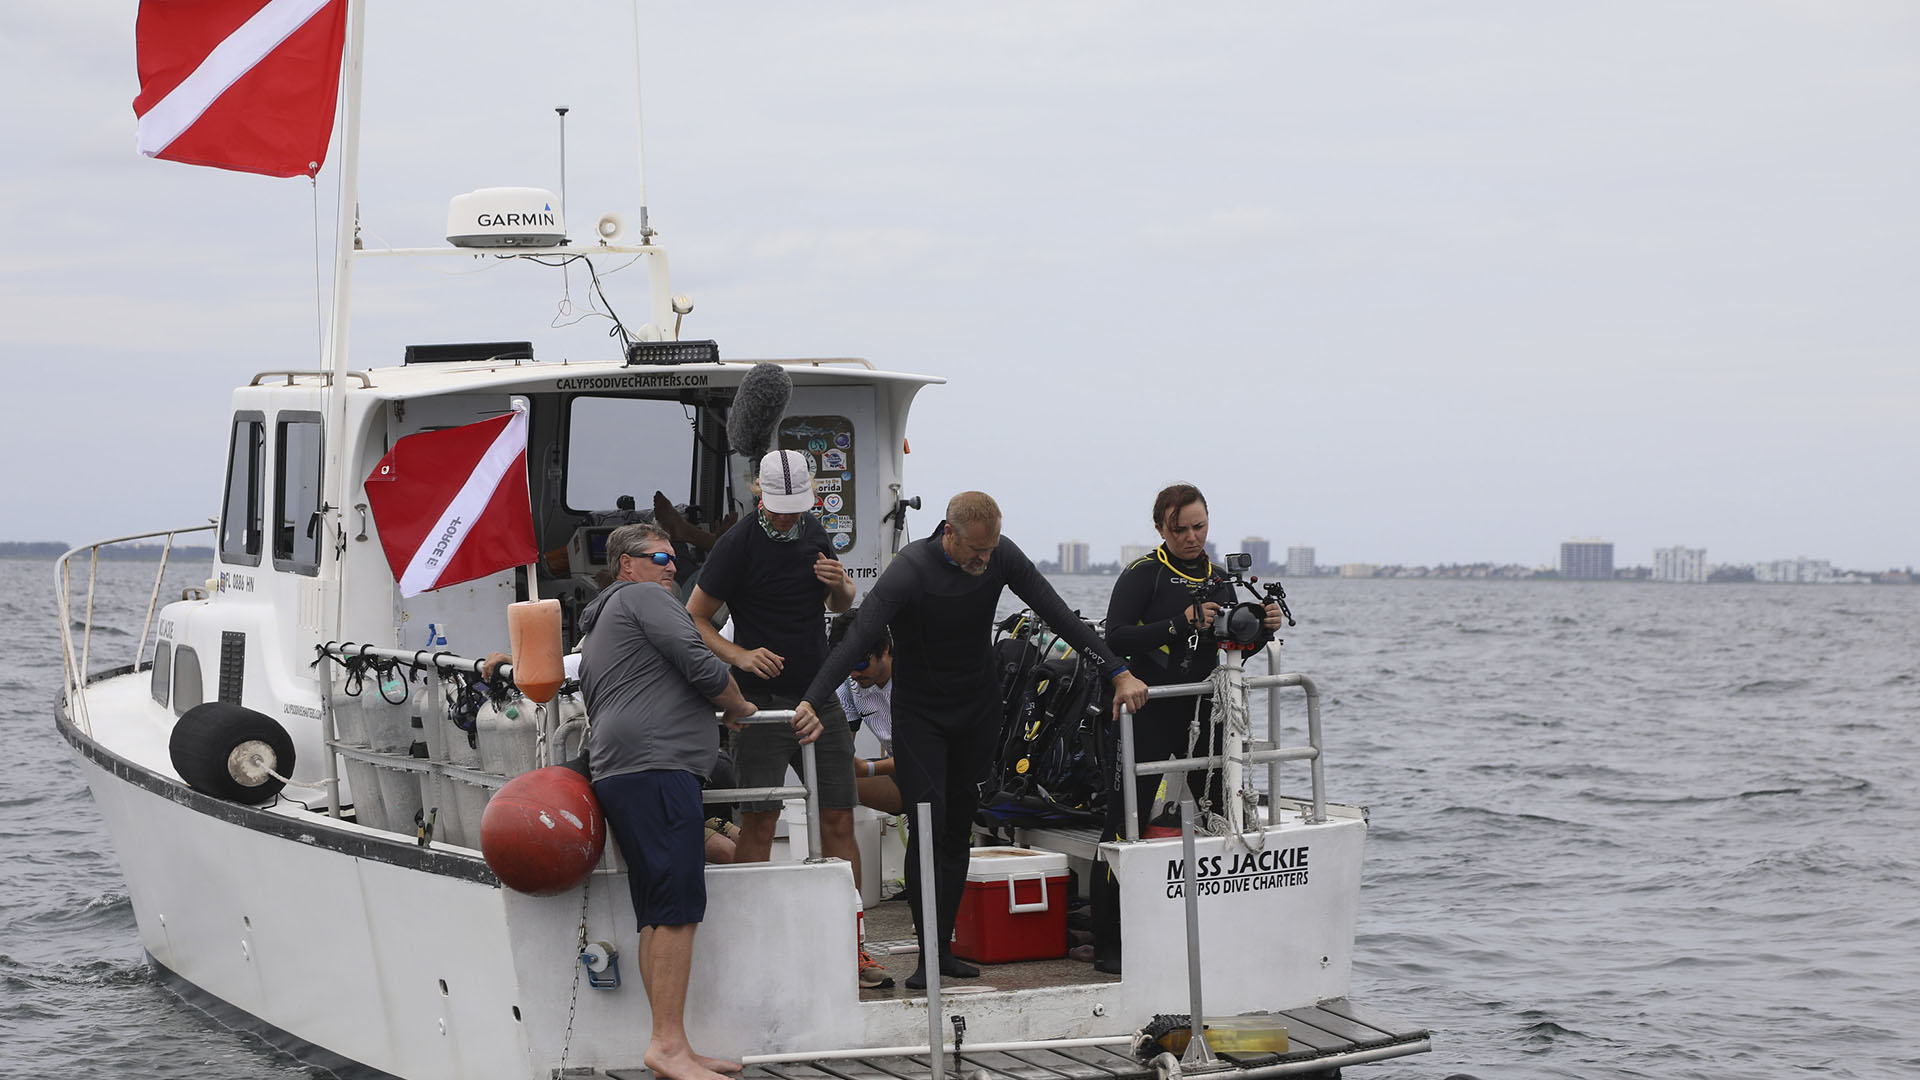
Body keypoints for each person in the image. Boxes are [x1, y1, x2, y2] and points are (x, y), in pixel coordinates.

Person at [796, 491, 1150, 990]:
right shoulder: (910, 570)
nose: (985, 562)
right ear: (948, 534)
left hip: (976, 709)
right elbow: (856, 639)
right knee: (928, 823)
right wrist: (812, 699)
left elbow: (1058, 613)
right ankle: (926, 957)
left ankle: (944, 951)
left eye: (990, 552)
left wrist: (1117, 670)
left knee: (959, 823)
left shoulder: (999, 554)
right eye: (976, 553)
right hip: (921, 716)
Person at [683, 449, 882, 987]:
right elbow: (695, 618)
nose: (790, 517)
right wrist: (739, 657)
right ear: (758, 495)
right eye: (780, 508)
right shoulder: (736, 545)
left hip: (819, 696)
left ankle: (852, 944)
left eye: (797, 507)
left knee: (839, 815)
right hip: (760, 704)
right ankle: (754, 941)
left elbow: (841, 605)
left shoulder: (814, 528)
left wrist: (840, 584)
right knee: (761, 821)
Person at [577, 523, 755, 1080]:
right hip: (656, 769)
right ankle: (668, 1046)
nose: (672, 567)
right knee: (678, 905)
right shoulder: (643, 597)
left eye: (675, 559)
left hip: (625, 771)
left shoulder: (604, 617)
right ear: (625, 565)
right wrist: (738, 704)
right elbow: (698, 660)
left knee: (656, 911)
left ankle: (670, 1044)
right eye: (659, 557)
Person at [1089, 482, 1283, 973]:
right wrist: (1183, 620)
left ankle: (1216, 931)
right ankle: (1107, 944)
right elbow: (1116, 638)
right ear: (1161, 528)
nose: (1192, 538)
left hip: (1202, 714)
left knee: (1219, 817)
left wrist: (1261, 630)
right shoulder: (1144, 574)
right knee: (1121, 824)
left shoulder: (1221, 579)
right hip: (1147, 713)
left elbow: (1231, 650)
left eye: (1200, 527)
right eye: (1181, 530)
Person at [829, 611, 900, 813]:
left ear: (885, 650)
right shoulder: (847, 685)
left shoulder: (914, 676)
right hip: (901, 768)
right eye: (846, 664)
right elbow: (842, 751)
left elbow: (923, 755)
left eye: (860, 664)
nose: (853, 673)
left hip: (940, 768)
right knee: (827, 779)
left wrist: (868, 769)